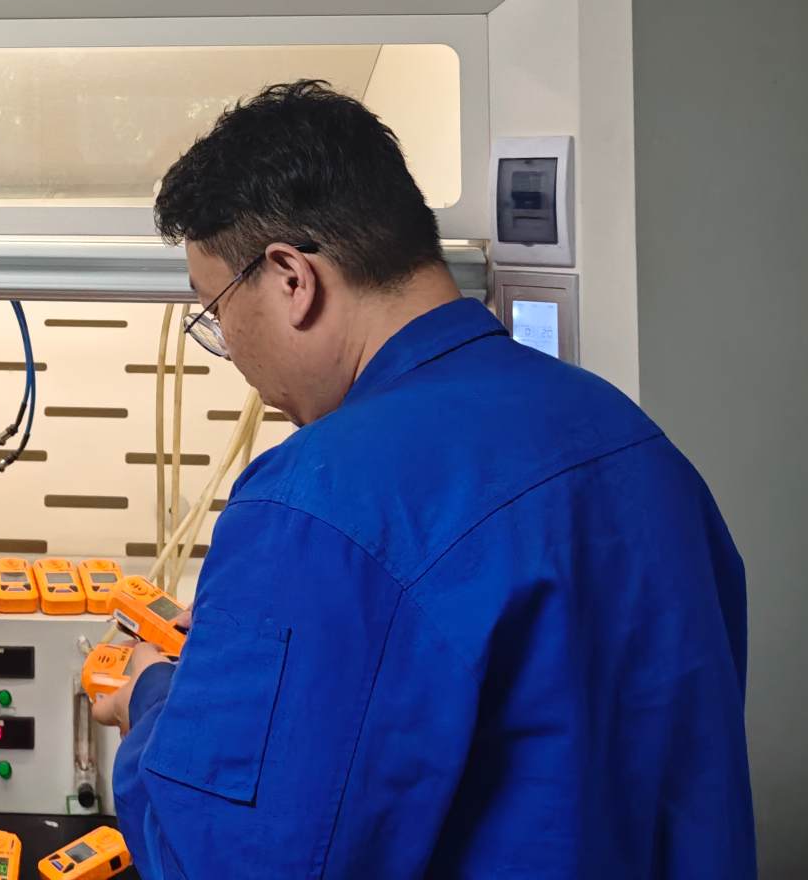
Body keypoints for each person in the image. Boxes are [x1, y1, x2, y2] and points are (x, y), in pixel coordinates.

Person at [97, 81, 753, 878]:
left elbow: (223, 859)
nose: (229, 347)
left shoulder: (318, 503)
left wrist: (154, 698)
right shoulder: (631, 444)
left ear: (291, 278)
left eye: (215, 311)